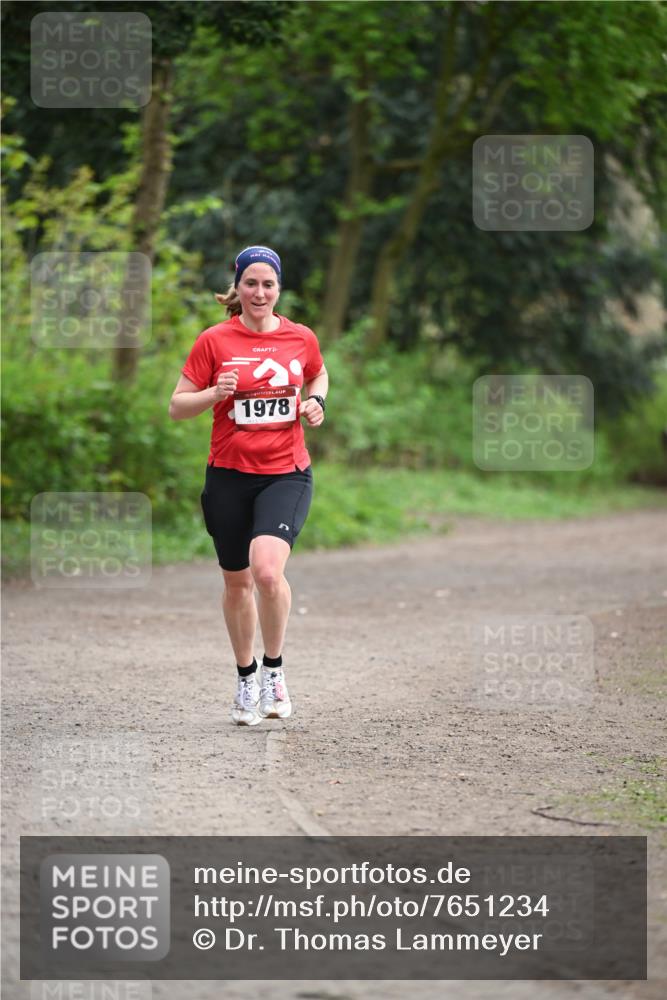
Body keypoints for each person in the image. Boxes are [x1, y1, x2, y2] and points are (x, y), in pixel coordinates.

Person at [169, 246, 328, 726]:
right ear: (237, 288)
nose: (260, 292)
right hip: (228, 477)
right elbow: (178, 405)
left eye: (269, 284)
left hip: (286, 473)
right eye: (251, 283)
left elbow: (317, 372)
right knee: (236, 582)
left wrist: (317, 402)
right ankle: (246, 678)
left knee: (265, 572)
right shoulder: (214, 341)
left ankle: (275, 673)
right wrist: (213, 394)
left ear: (279, 289)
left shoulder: (301, 338)